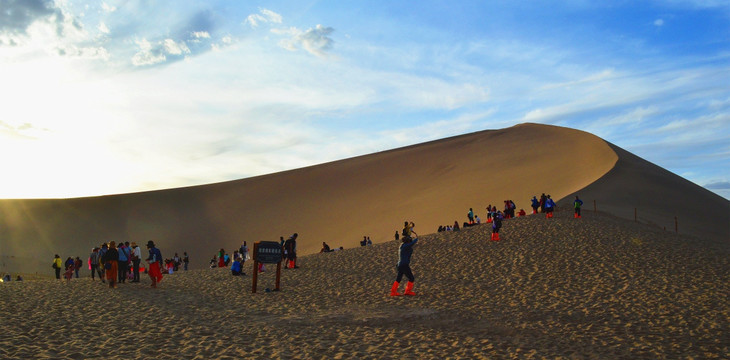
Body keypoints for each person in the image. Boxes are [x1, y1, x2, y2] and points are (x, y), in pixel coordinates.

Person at [390, 222, 419, 296]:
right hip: (404, 264)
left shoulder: (401, 246)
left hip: (399, 264)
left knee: (399, 278)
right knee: (411, 278)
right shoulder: (406, 246)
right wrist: (416, 238)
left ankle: (393, 292)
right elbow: (412, 243)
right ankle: (407, 291)